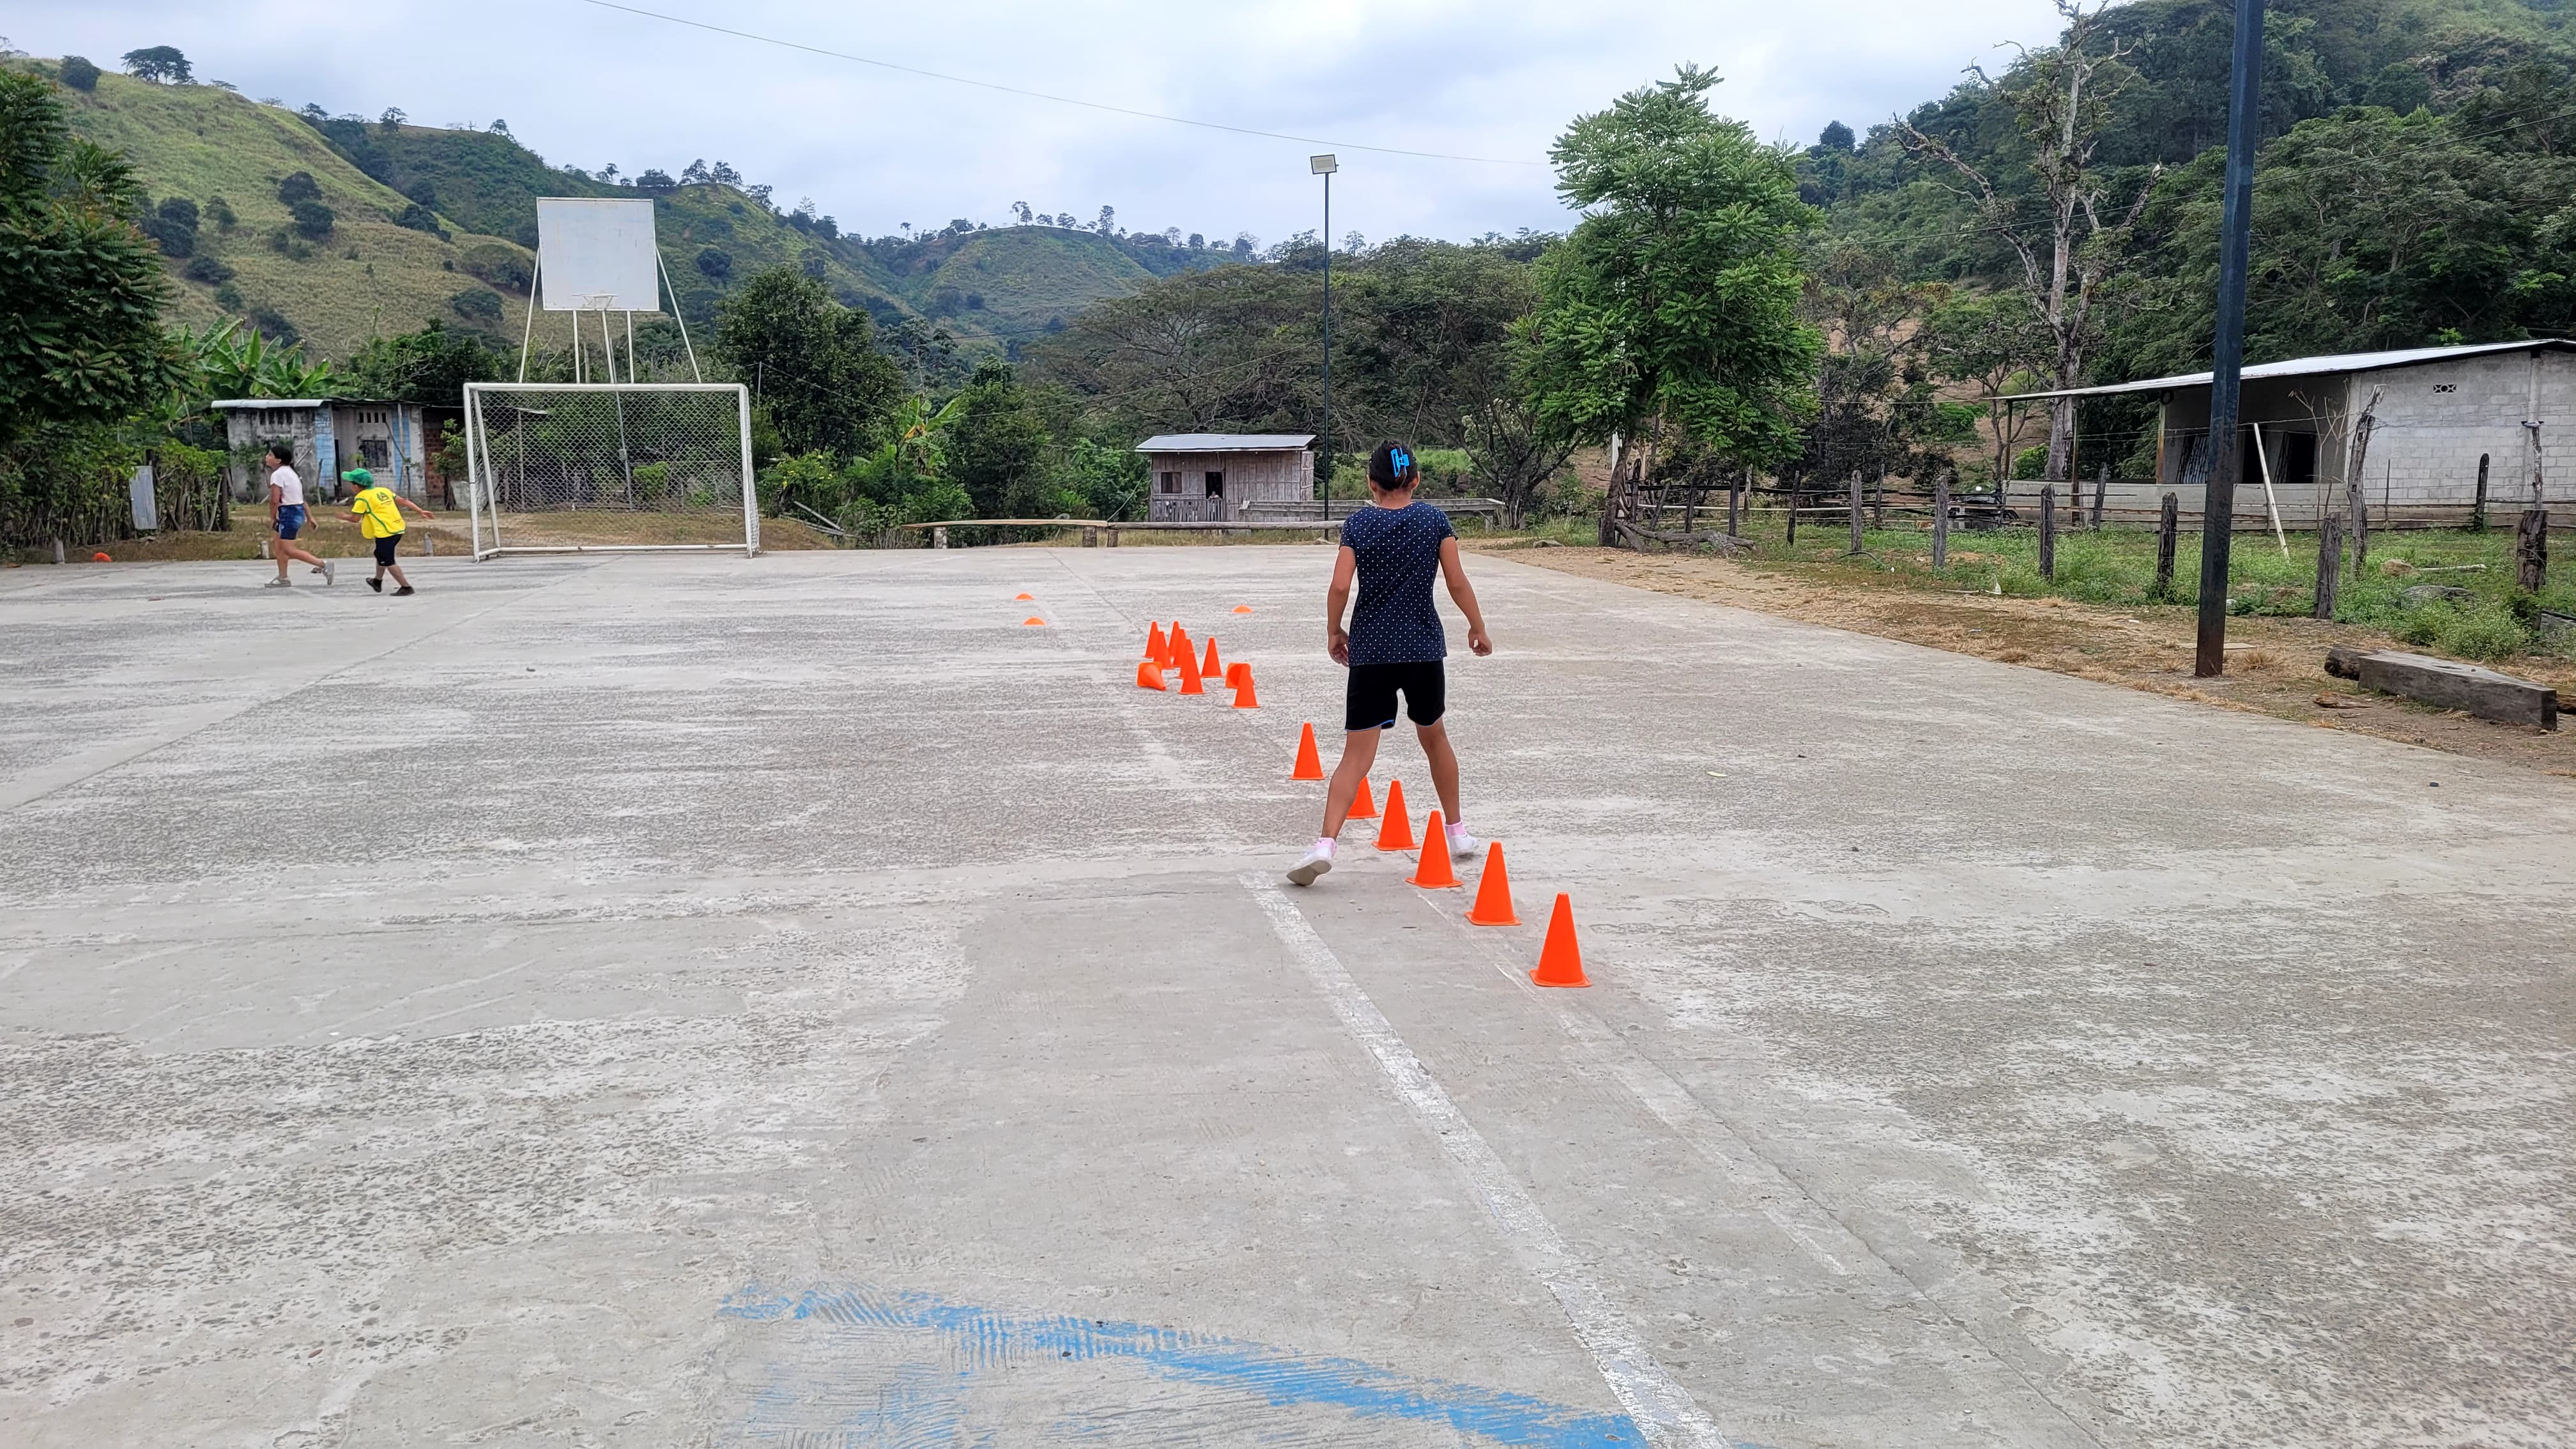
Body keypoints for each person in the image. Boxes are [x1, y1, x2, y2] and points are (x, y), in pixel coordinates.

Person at [1287, 442, 1492, 887]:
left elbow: (1340, 585)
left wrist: (1334, 631)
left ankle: (1325, 844)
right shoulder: (1435, 521)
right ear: (1416, 480)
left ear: (1371, 484)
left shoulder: (1358, 525)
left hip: (1372, 651)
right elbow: (1456, 581)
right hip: (1422, 648)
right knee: (1434, 737)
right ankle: (1457, 832)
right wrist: (1477, 626)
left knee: (1356, 756)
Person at [343, 467, 436, 595]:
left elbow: (355, 519)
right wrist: (420, 511)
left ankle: (406, 587)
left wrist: (343, 517)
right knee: (380, 554)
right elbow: (403, 501)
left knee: (388, 560)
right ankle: (377, 581)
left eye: (351, 483)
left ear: (356, 486)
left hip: (385, 532)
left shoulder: (362, 498)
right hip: (397, 528)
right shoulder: (383, 491)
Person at [261, 442, 333, 588]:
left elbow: (274, 500)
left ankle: (323, 564)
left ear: (278, 460)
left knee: (289, 549)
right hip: (294, 511)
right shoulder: (291, 473)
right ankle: (283, 578)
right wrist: (310, 517)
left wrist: (273, 518)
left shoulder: (278, 475)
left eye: (270, 455)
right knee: (279, 546)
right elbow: (300, 499)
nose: (267, 457)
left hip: (288, 513)